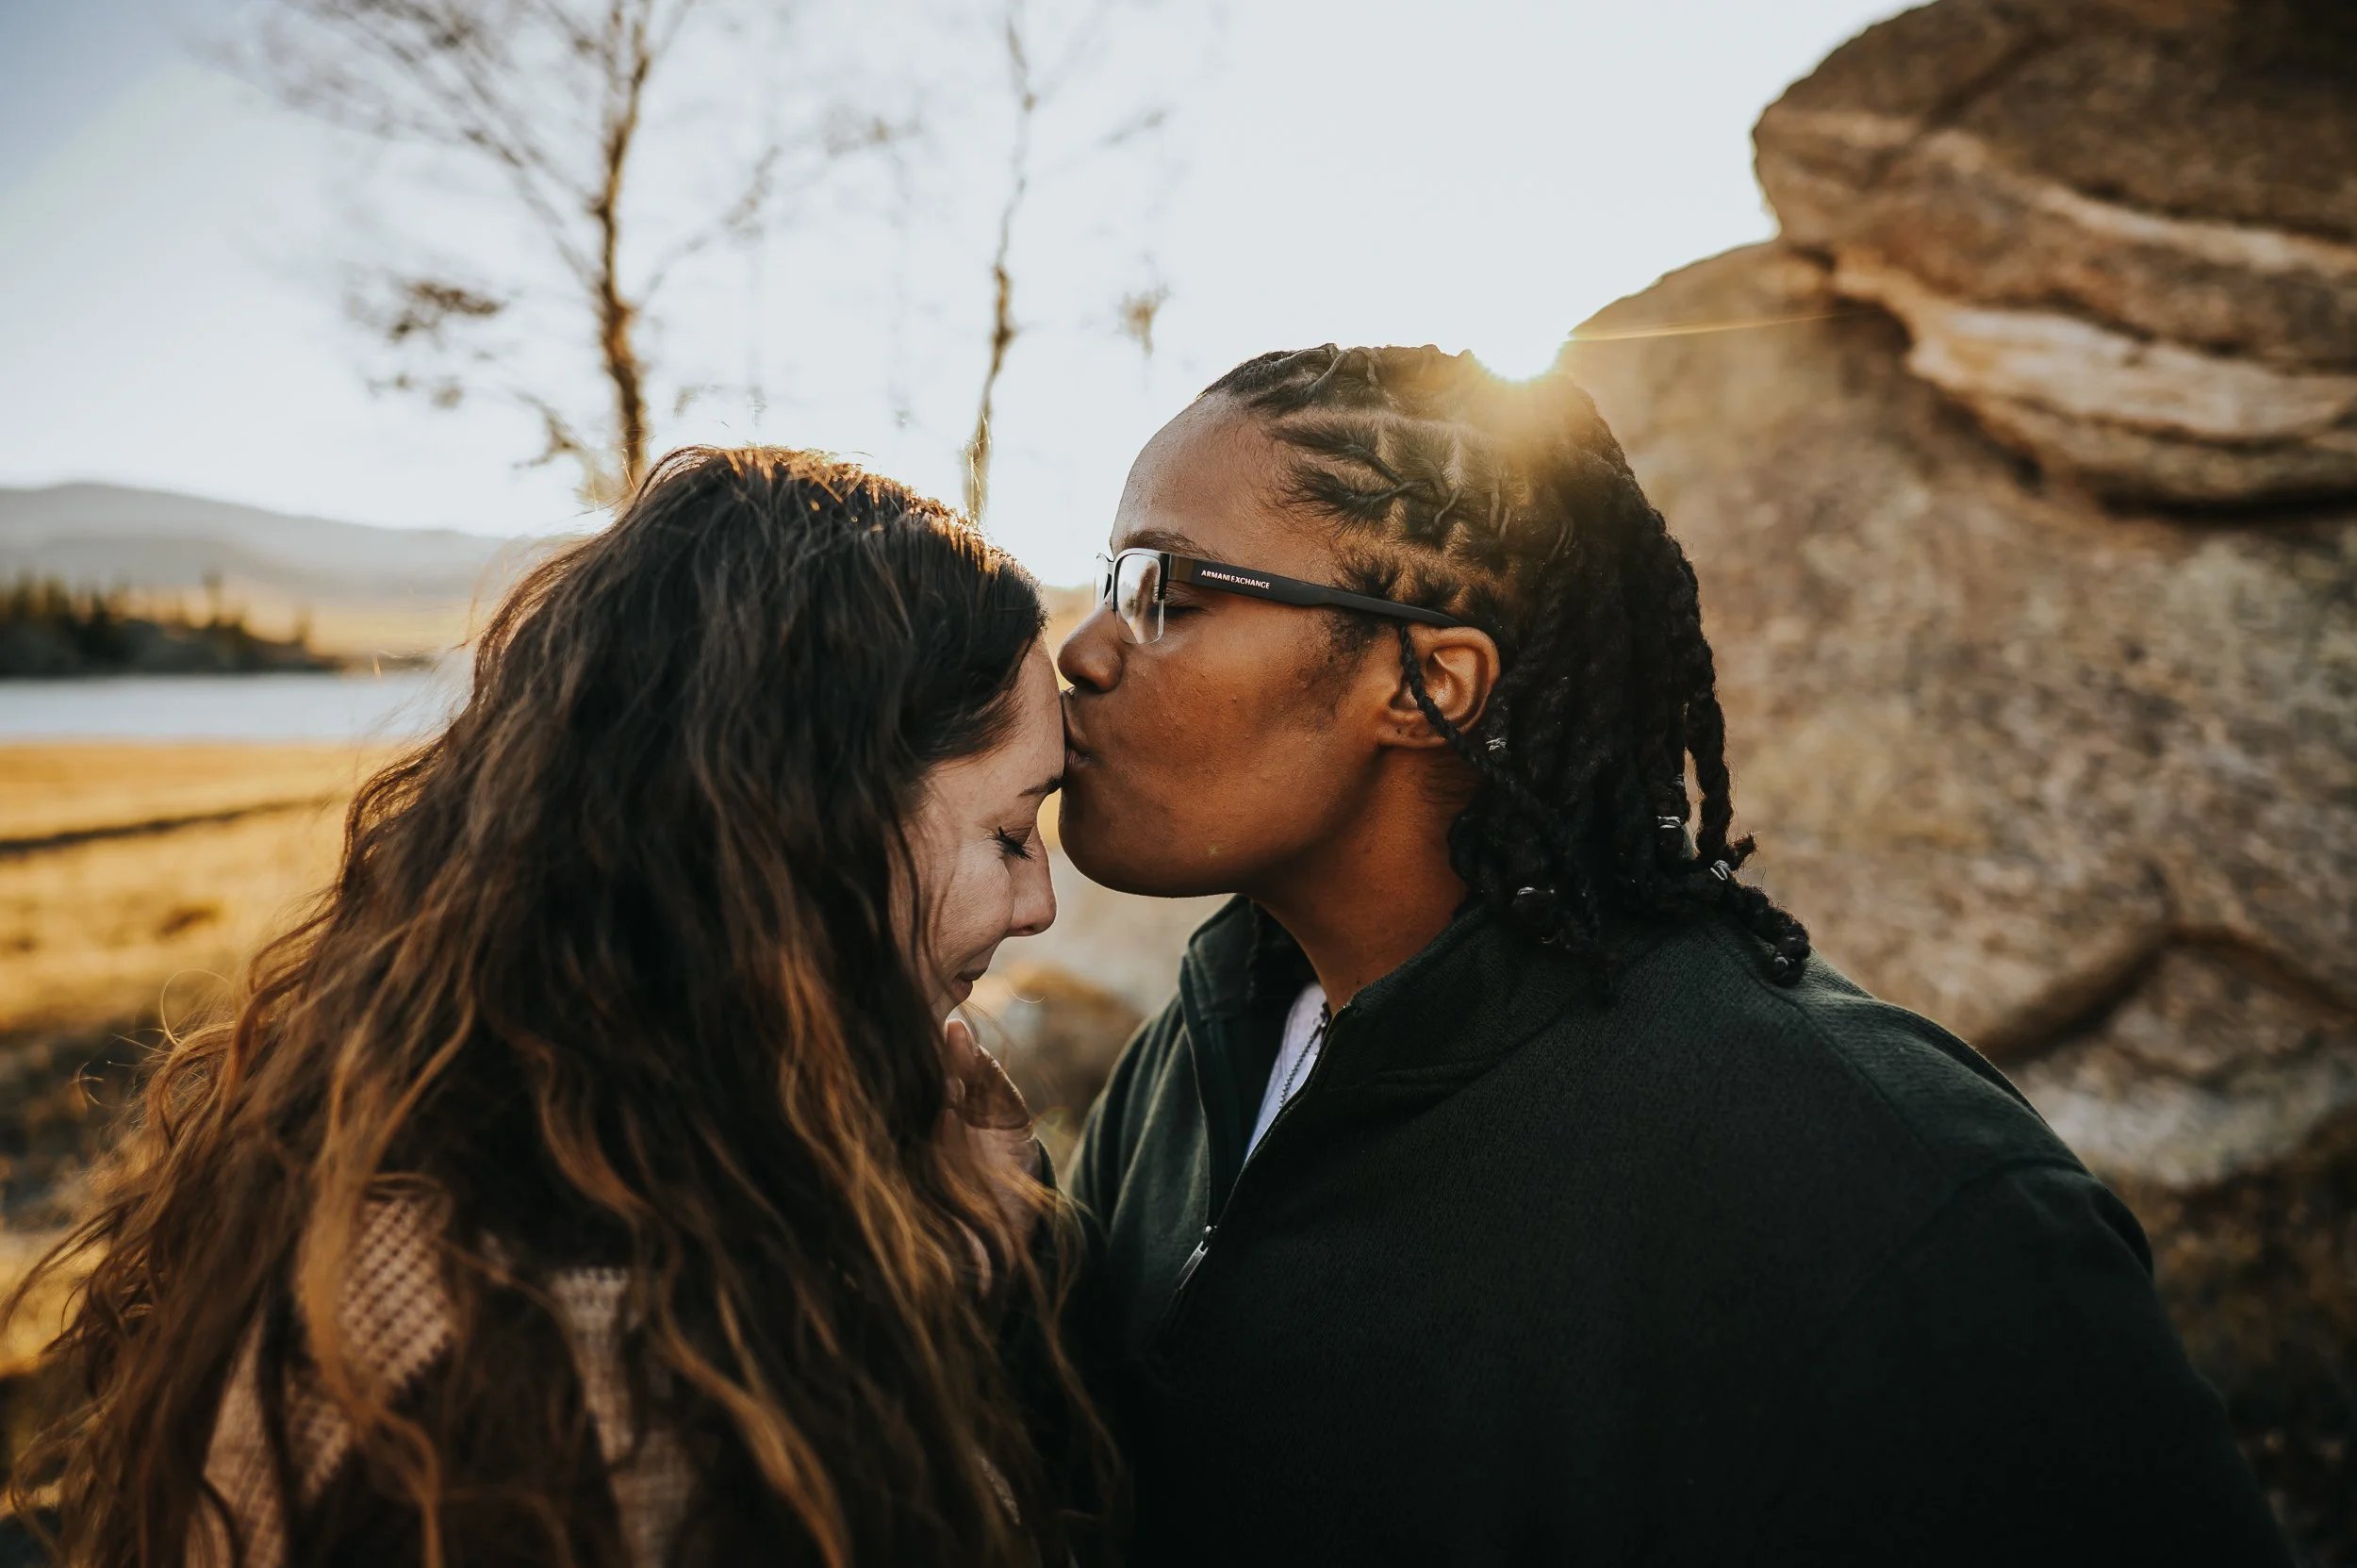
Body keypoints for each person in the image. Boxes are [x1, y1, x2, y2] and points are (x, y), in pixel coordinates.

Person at [1055, 346, 2291, 1566]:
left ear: (1429, 679)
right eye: (1110, 575)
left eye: (1164, 588)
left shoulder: (1893, 1190)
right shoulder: (1206, 1043)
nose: (1083, 647)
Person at [14, 448, 1103, 1568]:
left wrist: (949, 1270)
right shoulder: (509, 1365)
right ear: (802, 835)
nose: (1038, 905)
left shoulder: (597, 1158)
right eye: (1010, 835)